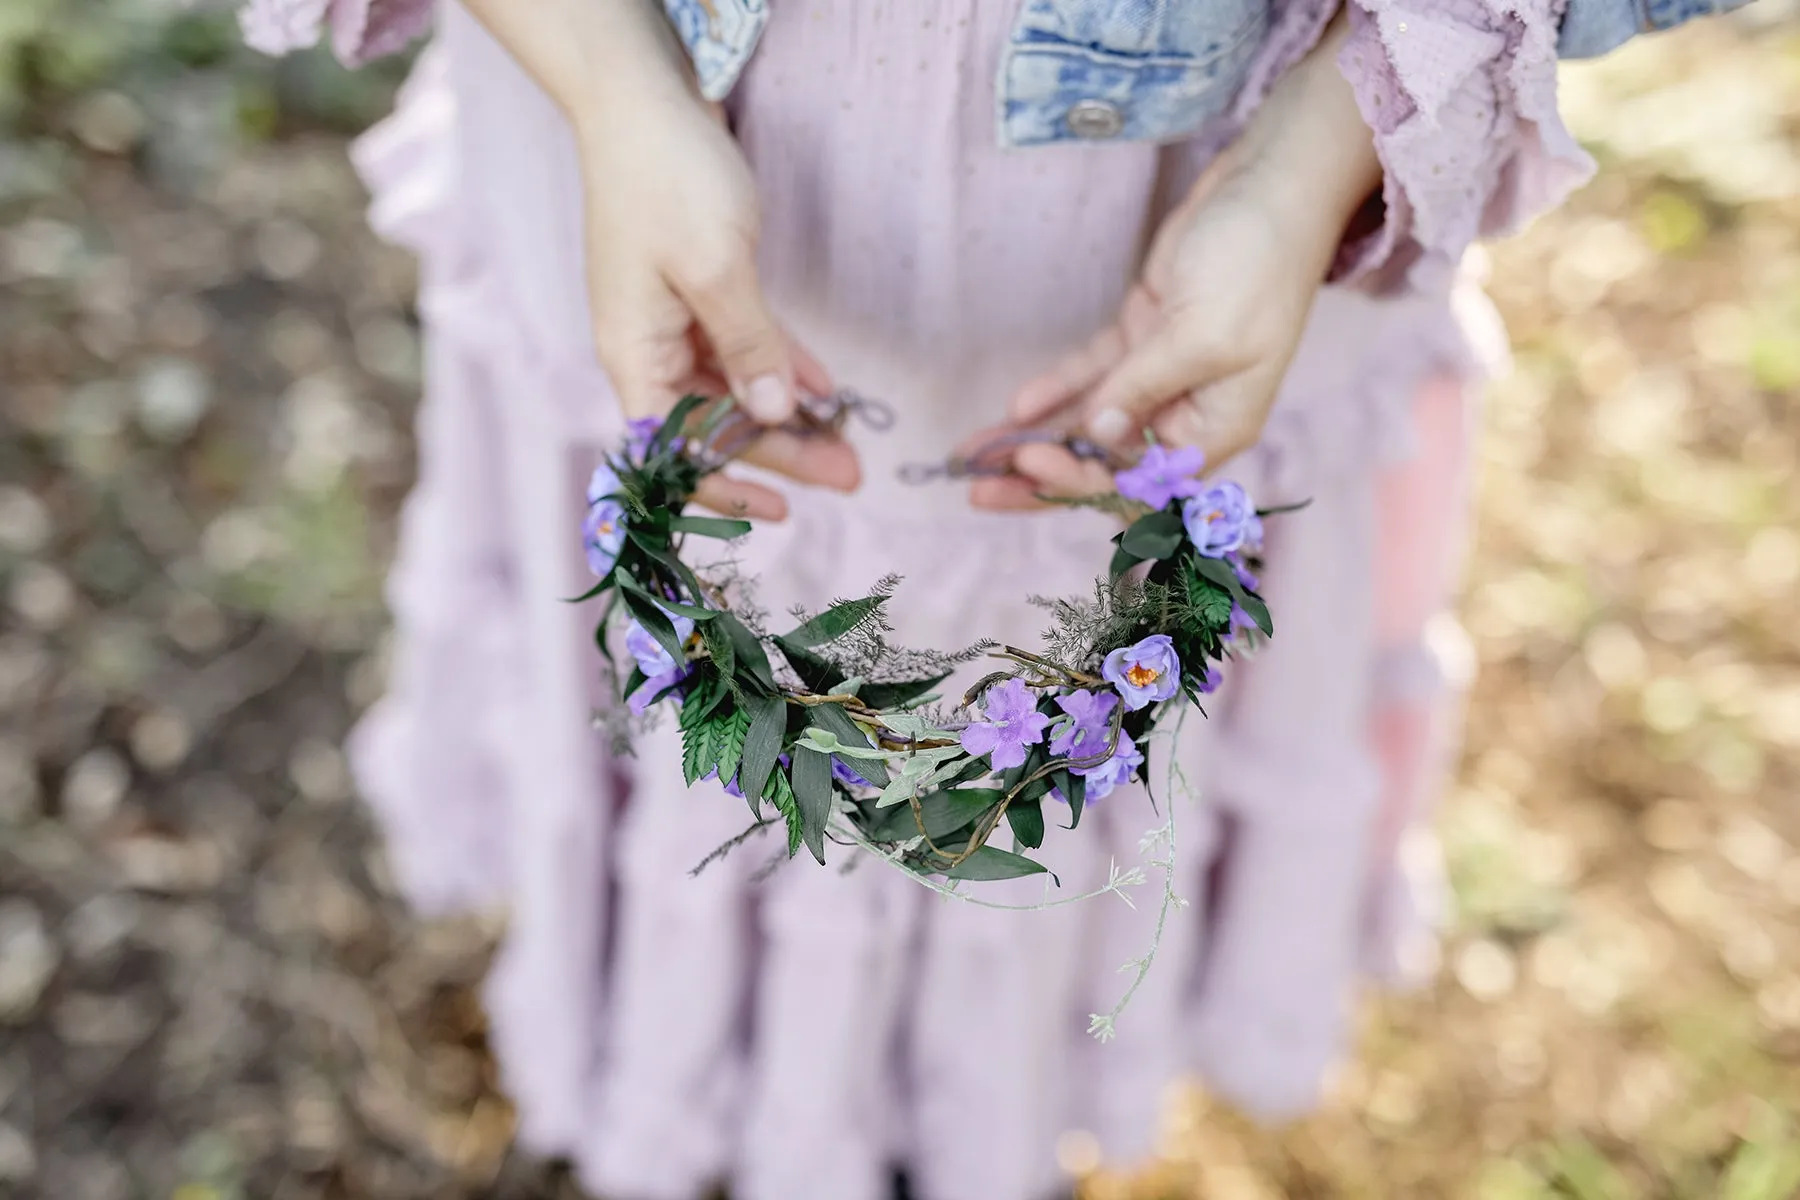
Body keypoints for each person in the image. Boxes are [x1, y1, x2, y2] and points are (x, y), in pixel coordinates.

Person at [239, 2, 1753, 1198]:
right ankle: (712, 1070)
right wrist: (614, 82)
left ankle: (964, 1108)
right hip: (633, 129)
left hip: (1184, 192)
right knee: (718, 702)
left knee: (1020, 741)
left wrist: (1313, 163)